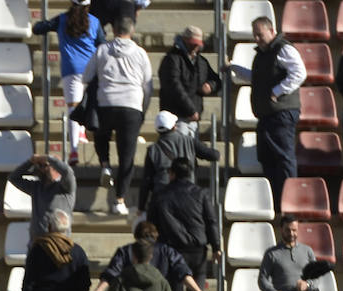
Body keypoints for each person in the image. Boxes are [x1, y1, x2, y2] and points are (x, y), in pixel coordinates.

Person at [229, 17, 305, 210]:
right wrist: (233, 68)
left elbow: (299, 72)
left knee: (283, 157)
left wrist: (277, 91)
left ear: (271, 31)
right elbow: (255, 78)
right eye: (254, 35)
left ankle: (289, 203)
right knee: (266, 157)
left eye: (260, 34)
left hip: (281, 113)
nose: (257, 38)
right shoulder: (262, 54)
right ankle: (277, 202)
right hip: (266, 115)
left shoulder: (283, 49)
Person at [82, 16, 153, 216]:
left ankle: (104, 163)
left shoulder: (102, 50)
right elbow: (148, 87)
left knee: (101, 135)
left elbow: (86, 77)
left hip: (106, 103)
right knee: (127, 157)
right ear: (132, 31)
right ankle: (120, 199)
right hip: (131, 105)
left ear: (113, 29)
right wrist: (142, 110)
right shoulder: (140, 53)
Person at [148, 158, 220, 291]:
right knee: (199, 275)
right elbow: (211, 221)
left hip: (172, 249)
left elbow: (152, 223)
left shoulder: (160, 195)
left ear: (171, 173)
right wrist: (216, 246)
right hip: (197, 247)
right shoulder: (201, 193)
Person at [33, 1, 104, 164]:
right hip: (91, 68)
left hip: (71, 69)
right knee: (90, 104)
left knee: (73, 107)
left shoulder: (62, 20)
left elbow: (38, 28)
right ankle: (82, 132)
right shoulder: (95, 21)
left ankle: (73, 151)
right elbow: (102, 44)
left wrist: (41, 24)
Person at [137, 111, 219, 215]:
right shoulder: (189, 141)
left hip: (162, 198)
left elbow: (147, 180)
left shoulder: (153, 150)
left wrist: (141, 207)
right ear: (174, 126)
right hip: (187, 196)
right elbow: (214, 156)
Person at [159, 27, 221, 134]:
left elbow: (216, 80)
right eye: (193, 43)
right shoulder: (172, 59)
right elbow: (174, 87)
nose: (195, 46)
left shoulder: (201, 62)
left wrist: (210, 86)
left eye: (197, 44)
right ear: (184, 40)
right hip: (176, 118)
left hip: (193, 119)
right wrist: (191, 110)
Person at [7, 154, 77, 239]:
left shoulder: (65, 188)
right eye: (40, 165)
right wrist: (30, 162)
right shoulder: (36, 187)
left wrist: (49, 158)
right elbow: (13, 178)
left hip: (59, 243)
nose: (42, 169)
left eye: (45, 165)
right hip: (37, 243)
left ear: (56, 169)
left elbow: (67, 172)